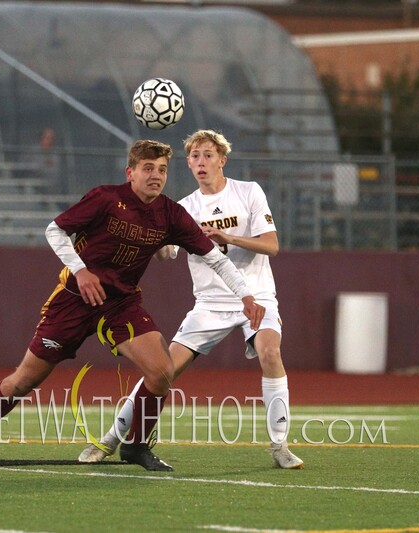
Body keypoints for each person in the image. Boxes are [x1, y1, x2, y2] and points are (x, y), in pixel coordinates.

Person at [0, 139, 265, 471]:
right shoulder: (105, 198)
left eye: (161, 169)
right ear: (130, 172)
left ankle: (135, 445)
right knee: (24, 381)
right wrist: (81, 271)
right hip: (74, 301)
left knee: (161, 373)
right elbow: (55, 230)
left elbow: (215, 259)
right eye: (148, 168)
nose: (156, 175)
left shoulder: (170, 215)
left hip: (120, 304)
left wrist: (246, 295)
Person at [78, 129, 304, 469]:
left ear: (222, 160)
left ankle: (280, 446)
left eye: (208, 155)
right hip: (209, 305)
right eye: (194, 156)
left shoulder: (248, 192)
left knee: (270, 351)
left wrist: (227, 237)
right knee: (163, 371)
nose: (201, 162)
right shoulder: (183, 208)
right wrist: (157, 246)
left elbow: (271, 245)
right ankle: (111, 438)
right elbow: (166, 253)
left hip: (255, 298)